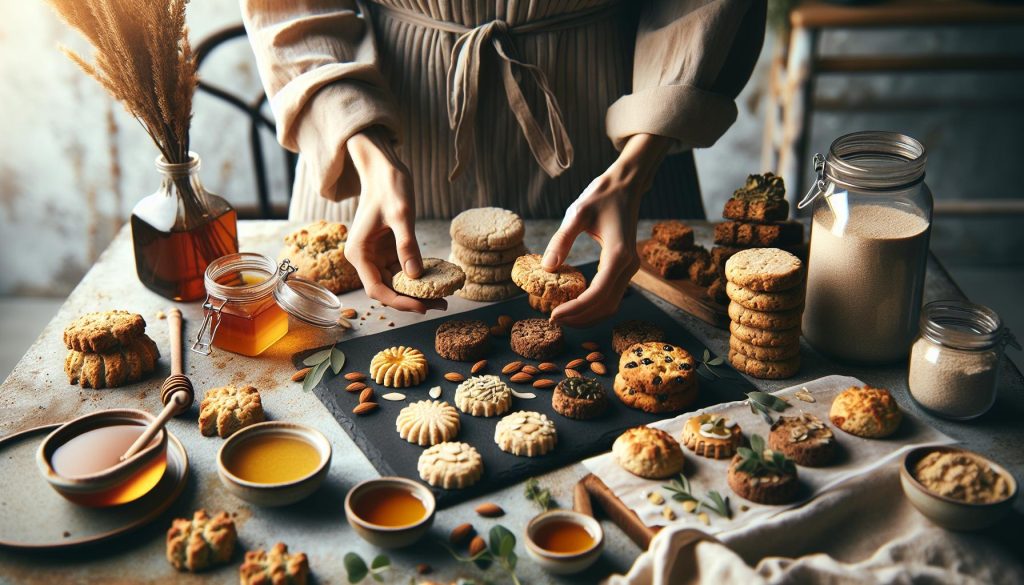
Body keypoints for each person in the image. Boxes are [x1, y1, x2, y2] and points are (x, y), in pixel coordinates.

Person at [242, 0, 764, 325]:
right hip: (378, 132)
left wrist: (635, 167)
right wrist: (364, 146)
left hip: (617, 131)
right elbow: (290, 8)